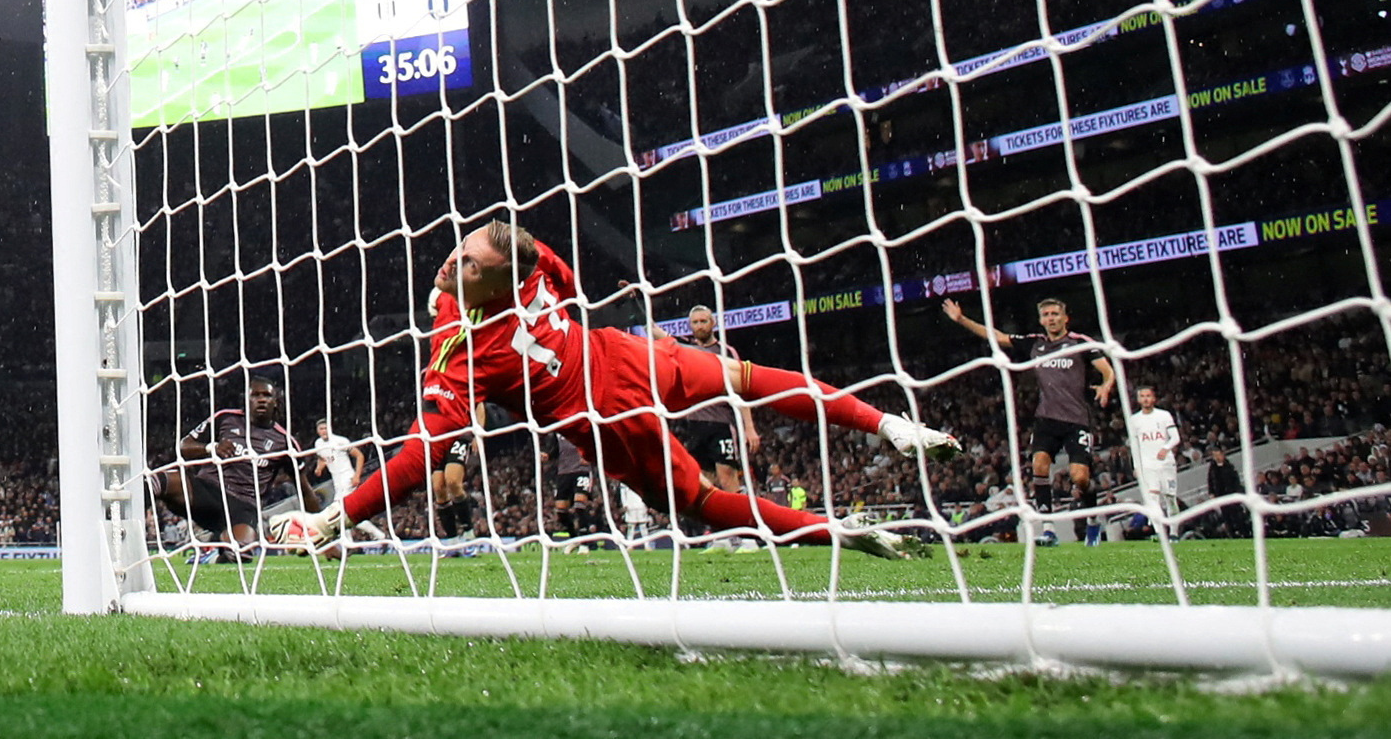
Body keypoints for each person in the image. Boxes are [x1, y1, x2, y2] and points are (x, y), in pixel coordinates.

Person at [275, 222, 955, 557]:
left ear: (496, 280)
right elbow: (555, 274)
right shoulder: (532, 263)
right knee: (743, 377)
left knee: (701, 498)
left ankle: (844, 503)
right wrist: (456, 281)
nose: (453, 260)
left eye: (469, 264)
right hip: (625, 354)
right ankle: (878, 429)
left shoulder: (456, 342)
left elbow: (425, 449)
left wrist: (335, 516)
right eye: (458, 249)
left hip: (604, 413)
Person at [943, 295, 1115, 524]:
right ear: (1041, 320)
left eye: (1055, 314)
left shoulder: (1080, 342)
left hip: (1077, 420)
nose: (1051, 318)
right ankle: (1048, 527)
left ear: (1065, 318)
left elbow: (1107, 370)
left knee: (1079, 477)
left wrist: (1106, 385)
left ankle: (1090, 505)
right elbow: (998, 337)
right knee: (1039, 466)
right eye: (1046, 315)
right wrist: (962, 319)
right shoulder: (1036, 343)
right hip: (1046, 419)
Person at [151, 377, 304, 558]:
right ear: (246, 400)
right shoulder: (226, 418)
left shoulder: (285, 442)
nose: (261, 399)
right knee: (156, 480)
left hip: (242, 506)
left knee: (241, 554)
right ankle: (119, 523)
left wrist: (319, 524)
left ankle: (214, 554)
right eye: (255, 395)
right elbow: (183, 447)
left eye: (267, 395)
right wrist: (211, 447)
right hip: (207, 490)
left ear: (276, 402)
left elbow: (304, 489)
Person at [676, 305, 757, 495]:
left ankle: (740, 518)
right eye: (695, 322)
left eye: (703, 321)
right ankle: (714, 522)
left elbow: (741, 391)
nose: (700, 326)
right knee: (703, 479)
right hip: (694, 424)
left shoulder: (726, 352)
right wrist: (635, 301)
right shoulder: (687, 349)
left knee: (726, 474)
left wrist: (749, 427)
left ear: (712, 323)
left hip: (721, 423)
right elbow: (655, 332)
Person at [1128, 386, 1183, 525]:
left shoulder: (1164, 415)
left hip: (1165, 463)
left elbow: (1175, 437)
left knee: (1170, 498)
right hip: (1147, 465)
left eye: (1148, 396)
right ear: (1139, 400)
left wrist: (1165, 448)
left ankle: (1174, 532)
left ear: (1153, 398)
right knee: (1152, 498)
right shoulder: (1134, 420)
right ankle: (1159, 532)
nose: (1146, 399)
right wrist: (1136, 466)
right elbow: (1135, 446)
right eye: (1142, 396)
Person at [311, 420, 364, 508]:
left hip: (347, 477)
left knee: (341, 507)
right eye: (321, 429)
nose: (324, 431)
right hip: (336, 481)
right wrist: (319, 468)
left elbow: (359, 455)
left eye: (326, 428)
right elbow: (322, 458)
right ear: (317, 431)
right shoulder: (318, 443)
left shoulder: (340, 441)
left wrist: (357, 476)